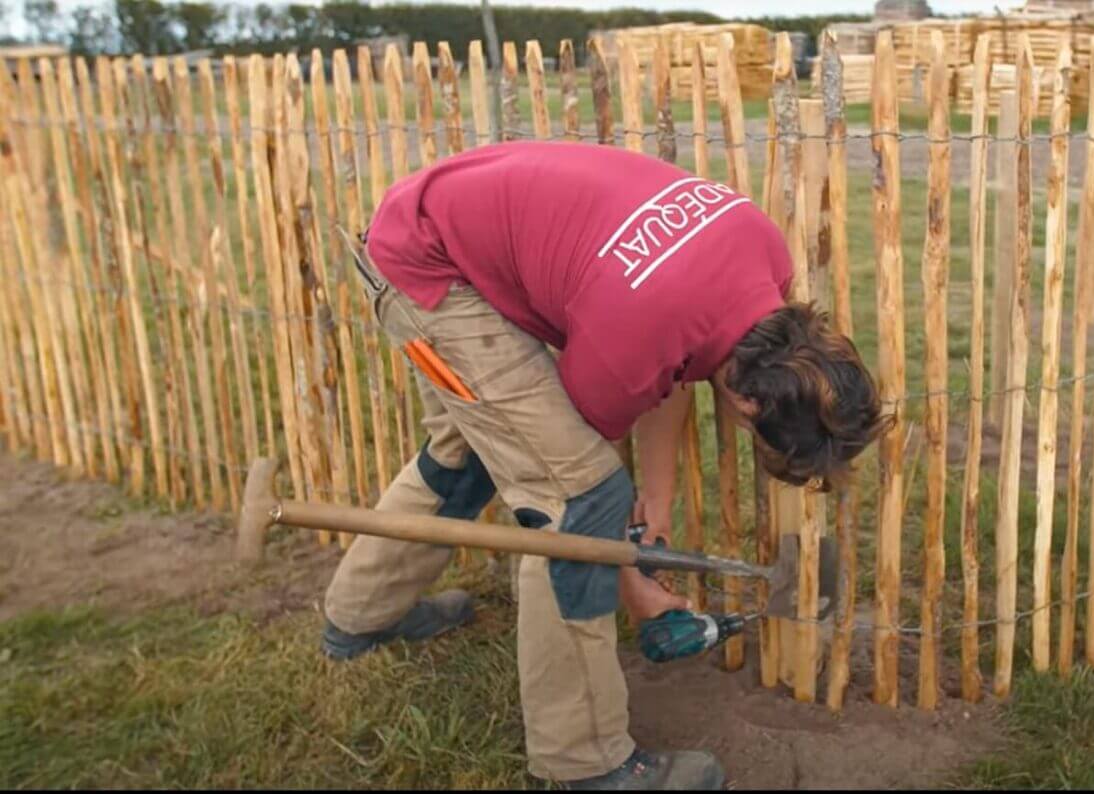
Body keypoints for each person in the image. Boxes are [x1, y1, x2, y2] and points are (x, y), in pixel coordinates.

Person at [321, 140, 888, 790]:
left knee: (474, 451)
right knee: (574, 502)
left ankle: (361, 615)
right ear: (747, 398)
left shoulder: (763, 258)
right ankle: (586, 762)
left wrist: (656, 500)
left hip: (441, 222)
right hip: (427, 272)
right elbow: (575, 485)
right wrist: (636, 586)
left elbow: (674, 365)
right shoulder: (626, 346)